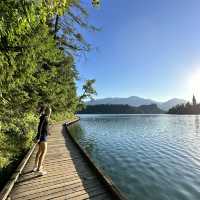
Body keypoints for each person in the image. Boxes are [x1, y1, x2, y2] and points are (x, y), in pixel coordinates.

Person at [33, 106, 51, 175]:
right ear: (47, 111)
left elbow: (44, 127)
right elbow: (39, 127)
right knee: (43, 152)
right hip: (42, 138)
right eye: (49, 111)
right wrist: (38, 137)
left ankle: (35, 166)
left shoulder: (44, 117)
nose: (50, 112)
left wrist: (48, 132)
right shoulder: (44, 117)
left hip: (43, 136)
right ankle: (39, 169)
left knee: (39, 151)